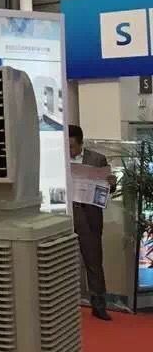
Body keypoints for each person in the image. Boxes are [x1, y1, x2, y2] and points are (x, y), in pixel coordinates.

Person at [70, 125, 117, 321]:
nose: (69, 150)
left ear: (81, 143)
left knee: (94, 262)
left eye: (72, 146)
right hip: (64, 217)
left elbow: (107, 189)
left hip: (89, 217)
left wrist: (112, 184)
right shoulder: (58, 159)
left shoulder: (97, 159)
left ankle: (98, 305)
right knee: (60, 263)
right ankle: (63, 307)